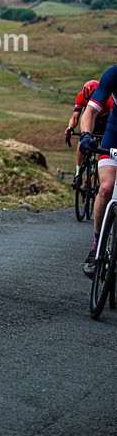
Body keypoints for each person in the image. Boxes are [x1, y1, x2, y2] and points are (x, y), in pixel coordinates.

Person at [79, 66, 117, 277]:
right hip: (115, 130)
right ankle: (97, 246)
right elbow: (90, 112)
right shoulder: (113, 74)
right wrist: (86, 135)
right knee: (106, 188)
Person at [65, 80, 113, 187]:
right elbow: (75, 117)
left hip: (106, 124)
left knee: (106, 146)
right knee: (83, 140)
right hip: (91, 123)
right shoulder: (81, 97)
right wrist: (70, 128)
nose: (88, 102)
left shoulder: (108, 99)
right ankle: (78, 173)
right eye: (86, 99)